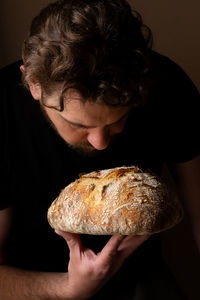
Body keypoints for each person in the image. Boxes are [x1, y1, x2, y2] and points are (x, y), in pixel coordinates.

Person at [0, 0, 199, 299]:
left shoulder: (165, 84)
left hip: (140, 275)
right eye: (79, 125)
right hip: (33, 282)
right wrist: (68, 290)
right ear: (34, 84)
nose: (101, 143)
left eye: (118, 120)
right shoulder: (2, 113)